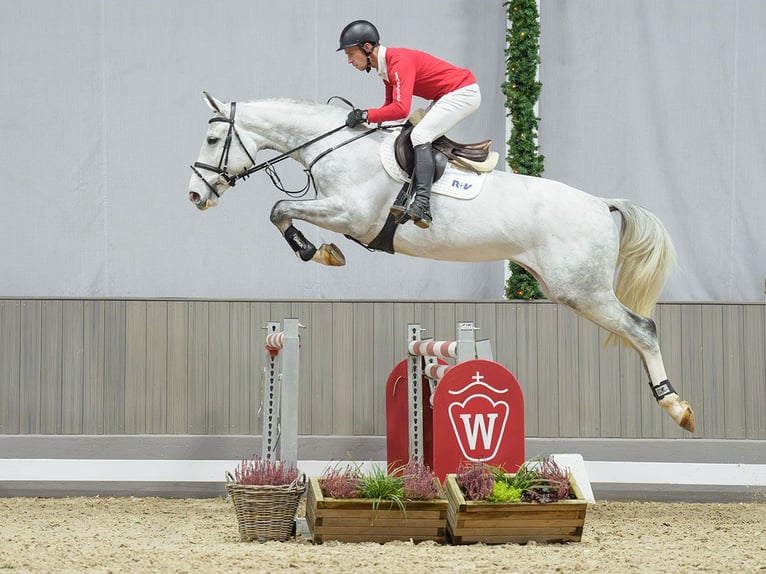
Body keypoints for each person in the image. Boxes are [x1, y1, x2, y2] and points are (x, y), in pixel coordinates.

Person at [337, 20, 481, 229]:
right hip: (445, 96)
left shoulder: (399, 62)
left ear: (366, 47)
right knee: (402, 132)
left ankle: (422, 204)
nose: (349, 60)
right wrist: (365, 120)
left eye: (350, 54)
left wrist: (365, 114)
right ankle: (407, 197)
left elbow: (401, 109)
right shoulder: (386, 69)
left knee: (420, 136)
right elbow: (389, 109)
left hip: (463, 93)